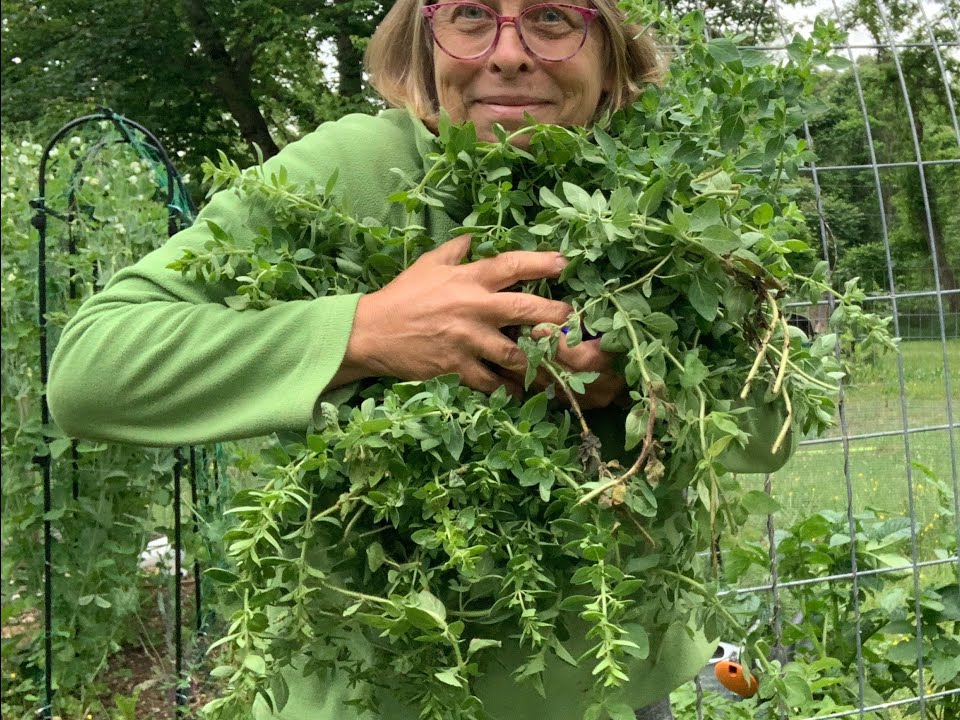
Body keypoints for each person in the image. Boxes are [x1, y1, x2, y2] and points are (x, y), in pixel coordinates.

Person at [47, 1, 792, 718]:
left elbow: (771, 434)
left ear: (610, 53)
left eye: (553, 17)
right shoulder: (354, 169)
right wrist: (364, 330)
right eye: (469, 14)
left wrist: (636, 386)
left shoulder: (666, 188)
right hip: (374, 694)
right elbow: (90, 372)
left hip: (607, 690)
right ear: (424, 40)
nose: (506, 52)